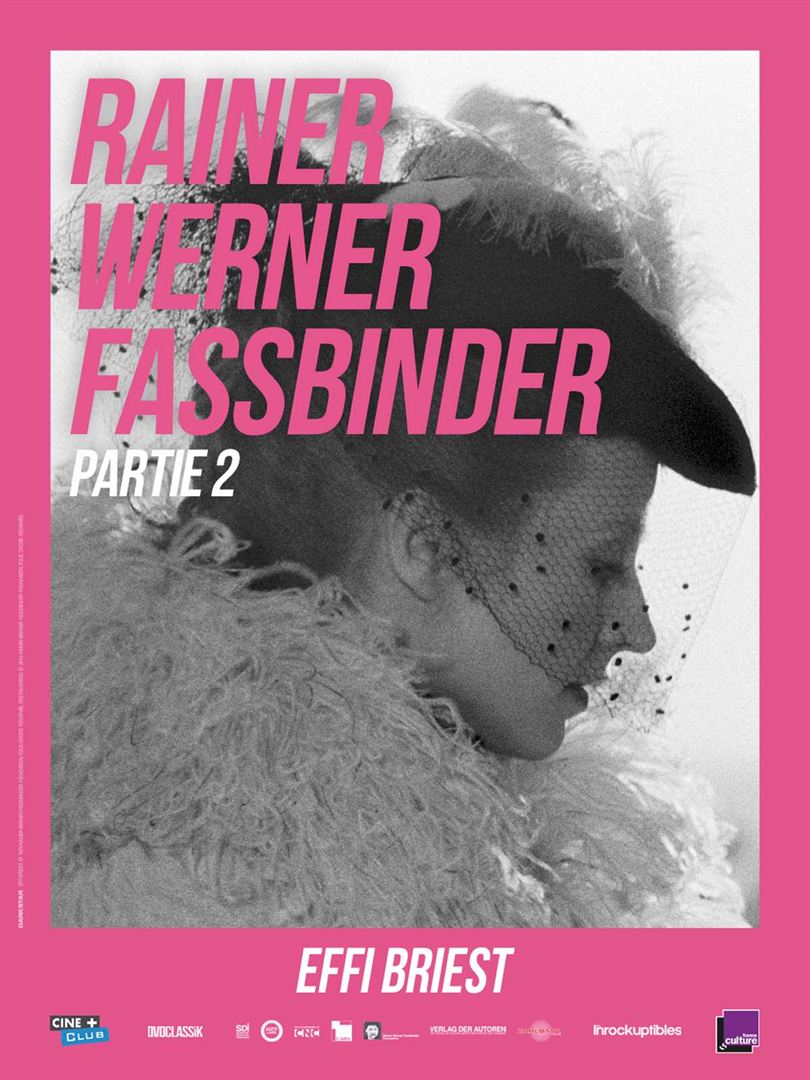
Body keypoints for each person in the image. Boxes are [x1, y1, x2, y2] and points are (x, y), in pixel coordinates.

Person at [51, 88, 755, 928]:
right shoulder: (195, 902)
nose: (638, 631)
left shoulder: (479, 861)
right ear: (425, 542)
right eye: (601, 563)